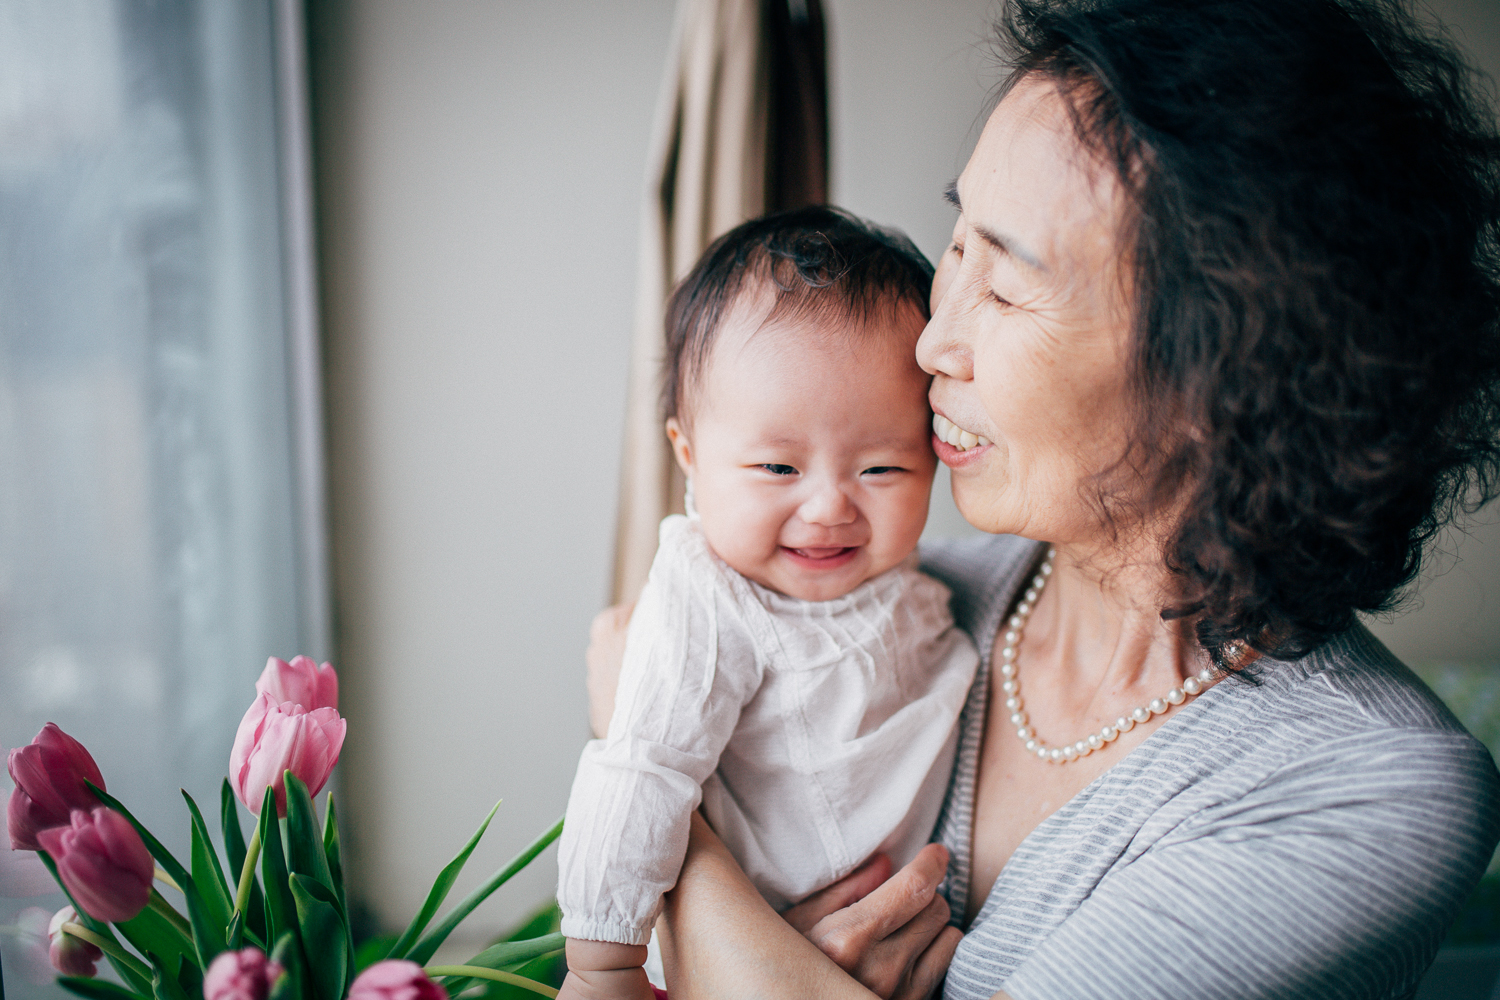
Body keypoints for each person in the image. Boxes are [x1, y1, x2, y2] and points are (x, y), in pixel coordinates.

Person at [583, 0, 1500, 997]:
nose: (932, 344)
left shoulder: (1368, 790)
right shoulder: (889, 601)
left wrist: (700, 881)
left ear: (1223, 379)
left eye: (1007, 286)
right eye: (957, 246)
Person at [556, 208, 980, 1000]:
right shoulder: (709, 600)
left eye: (882, 469)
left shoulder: (913, 579)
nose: (828, 508)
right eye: (778, 469)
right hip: (696, 962)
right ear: (691, 456)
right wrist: (600, 966)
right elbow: (640, 769)